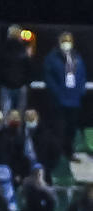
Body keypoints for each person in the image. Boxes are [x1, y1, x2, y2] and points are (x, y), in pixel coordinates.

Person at [44, 33, 87, 162]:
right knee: (58, 129)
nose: (66, 43)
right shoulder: (52, 58)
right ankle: (57, 155)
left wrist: (80, 91)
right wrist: (57, 93)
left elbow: (82, 75)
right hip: (59, 100)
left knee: (71, 129)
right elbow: (48, 77)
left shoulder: (77, 57)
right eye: (64, 41)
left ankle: (69, 152)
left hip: (74, 100)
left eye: (68, 41)